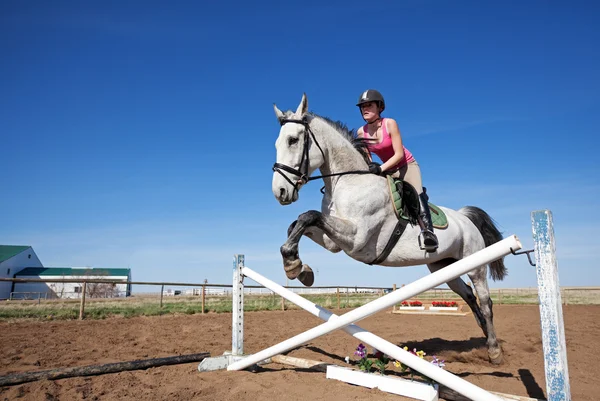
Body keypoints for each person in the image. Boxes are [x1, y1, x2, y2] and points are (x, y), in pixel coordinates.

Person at [355, 89, 438, 252]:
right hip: (387, 168)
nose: (365, 109)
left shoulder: (390, 123)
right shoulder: (361, 132)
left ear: (380, 107)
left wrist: (380, 168)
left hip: (406, 165)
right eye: (362, 106)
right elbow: (368, 159)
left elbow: (399, 154)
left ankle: (428, 232)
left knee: (416, 192)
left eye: (369, 105)